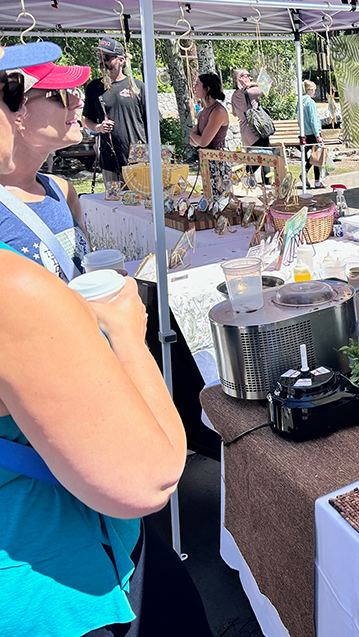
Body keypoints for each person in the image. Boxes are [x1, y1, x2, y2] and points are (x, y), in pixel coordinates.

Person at [0, 44, 212, 636]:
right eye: (57, 93)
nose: (75, 103)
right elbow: (153, 476)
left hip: (90, 495)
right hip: (46, 548)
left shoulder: (59, 194)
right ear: (12, 109)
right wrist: (125, 334)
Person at [0, 61, 91, 281]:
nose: (76, 101)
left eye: (74, 91)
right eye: (59, 94)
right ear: (16, 113)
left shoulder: (63, 190)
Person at [82, 37, 146, 191]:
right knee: (113, 206)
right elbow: (86, 119)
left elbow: (151, 123)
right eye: (99, 57)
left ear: (121, 60)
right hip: (109, 160)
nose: (102, 61)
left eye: (106, 57)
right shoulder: (94, 87)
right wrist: (98, 127)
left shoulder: (138, 86)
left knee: (142, 205)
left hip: (139, 159)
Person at [190, 73, 232, 196]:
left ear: (207, 89)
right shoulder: (204, 111)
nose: (194, 87)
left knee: (220, 201)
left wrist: (193, 134)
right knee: (208, 199)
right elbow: (193, 142)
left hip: (218, 162)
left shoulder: (217, 111)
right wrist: (194, 137)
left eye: (197, 84)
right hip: (207, 160)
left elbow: (203, 141)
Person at [230, 67, 270, 183]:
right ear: (240, 78)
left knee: (261, 155)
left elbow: (234, 112)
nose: (249, 77)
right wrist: (253, 83)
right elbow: (266, 85)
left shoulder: (235, 95)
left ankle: (257, 181)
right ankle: (246, 177)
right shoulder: (249, 92)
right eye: (246, 75)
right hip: (257, 129)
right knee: (263, 156)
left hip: (245, 130)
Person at [299, 79, 324, 188]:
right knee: (317, 156)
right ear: (309, 90)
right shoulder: (310, 102)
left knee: (313, 155)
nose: (314, 92)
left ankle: (305, 172)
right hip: (313, 132)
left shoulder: (300, 102)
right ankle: (316, 181)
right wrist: (317, 134)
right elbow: (313, 119)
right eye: (313, 90)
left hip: (305, 132)